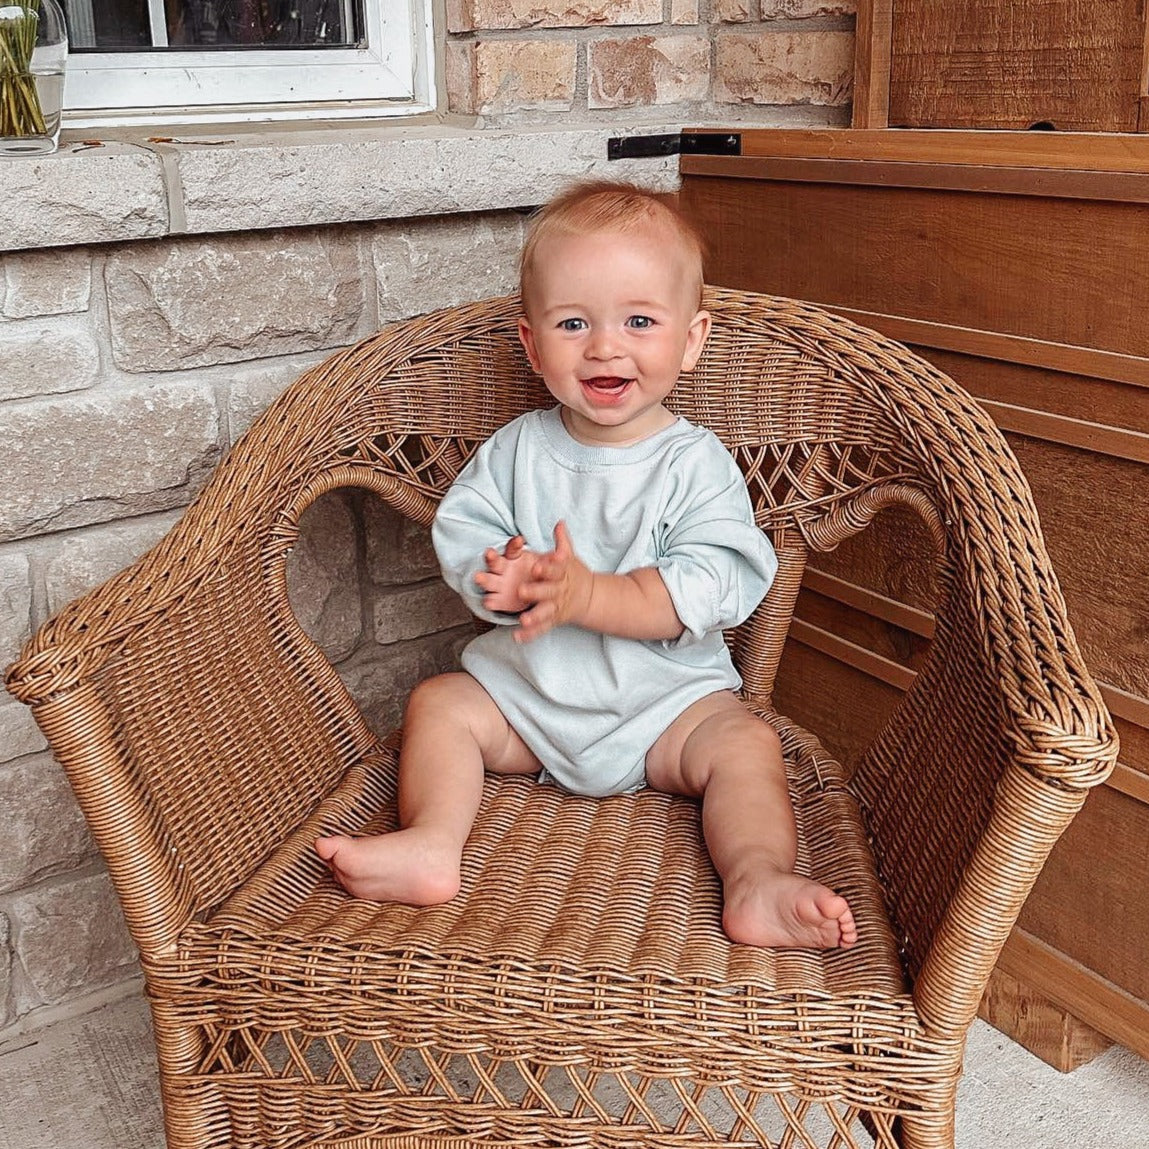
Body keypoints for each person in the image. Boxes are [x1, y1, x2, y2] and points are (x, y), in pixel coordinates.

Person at [316, 180, 857, 949]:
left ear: (691, 340)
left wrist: (588, 594)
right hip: (530, 702)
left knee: (746, 745)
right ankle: (432, 842)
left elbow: (717, 581)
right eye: (574, 323)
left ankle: (757, 879)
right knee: (440, 703)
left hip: (666, 712)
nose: (605, 346)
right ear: (533, 344)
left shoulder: (693, 464)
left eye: (639, 320)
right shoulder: (515, 451)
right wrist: (499, 575)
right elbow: (466, 533)